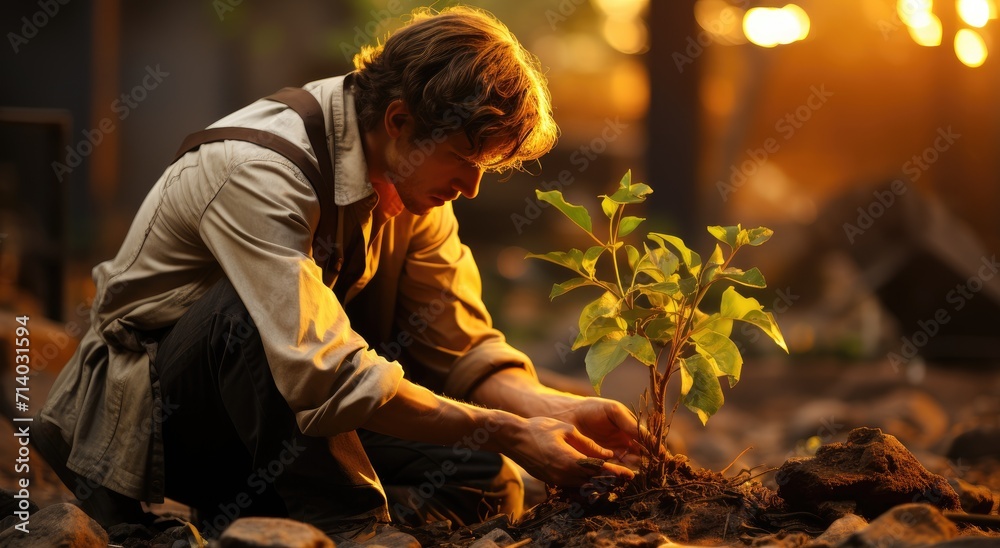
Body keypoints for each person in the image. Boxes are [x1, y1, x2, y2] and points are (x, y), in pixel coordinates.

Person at [36, 6, 641, 541]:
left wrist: (549, 410)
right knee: (251, 315)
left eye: (485, 165)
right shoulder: (262, 169)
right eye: (462, 158)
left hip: (280, 415)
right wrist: (508, 430)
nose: (472, 186)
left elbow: (461, 346)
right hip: (160, 415)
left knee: (485, 477)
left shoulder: (411, 182)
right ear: (399, 120)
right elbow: (319, 367)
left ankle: (267, 520)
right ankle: (349, 526)